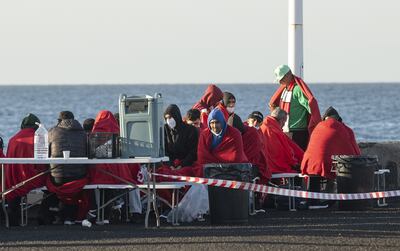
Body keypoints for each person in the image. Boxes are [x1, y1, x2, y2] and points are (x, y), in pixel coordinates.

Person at [88, 110, 141, 223]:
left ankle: (97, 212)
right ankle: (135, 212)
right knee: (133, 183)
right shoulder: (119, 134)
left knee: (94, 185)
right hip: (120, 176)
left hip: (99, 175)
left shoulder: (94, 135)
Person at [46, 111, 89, 224]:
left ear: (59, 121)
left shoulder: (52, 132)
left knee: (51, 179)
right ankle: (70, 217)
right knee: (73, 190)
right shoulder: (84, 133)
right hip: (79, 176)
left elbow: (46, 153)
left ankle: (57, 216)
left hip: (57, 177)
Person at [4, 113, 48, 225]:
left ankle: (13, 220)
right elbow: (42, 164)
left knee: (13, 190)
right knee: (52, 183)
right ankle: (45, 215)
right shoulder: (39, 138)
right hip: (32, 178)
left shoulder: (12, 139)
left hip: (13, 179)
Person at [301, 106, 361, 183]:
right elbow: (354, 152)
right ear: (338, 119)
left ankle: (312, 193)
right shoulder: (345, 129)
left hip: (309, 165)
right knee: (335, 170)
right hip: (329, 166)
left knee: (314, 181)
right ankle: (330, 192)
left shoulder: (317, 127)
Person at [269, 65, 321, 150]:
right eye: (279, 80)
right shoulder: (285, 89)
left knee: (297, 158)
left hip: (298, 132)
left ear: (289, 75)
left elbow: (311, 108)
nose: (280, 82)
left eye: (281, 79)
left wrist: (318, 122)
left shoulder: (298, 90)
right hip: (286, 130)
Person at [194, 108, 248, 177]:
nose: (214, 126)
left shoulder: (234, 134)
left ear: (222, 122)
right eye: (212, 123)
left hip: (231, 169)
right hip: (209, 168)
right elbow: (202, 156)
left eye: (217, 122)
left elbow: (235, 157)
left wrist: (216, 162)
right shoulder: (204, 134)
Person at [260, 107, 304, 174]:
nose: (283, 126)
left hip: (263, 166)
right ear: (282, 120)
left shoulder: (262, 127)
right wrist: (296, 163)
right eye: (284, 122)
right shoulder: (276, 132)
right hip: (275, 167)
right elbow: (287, 153)